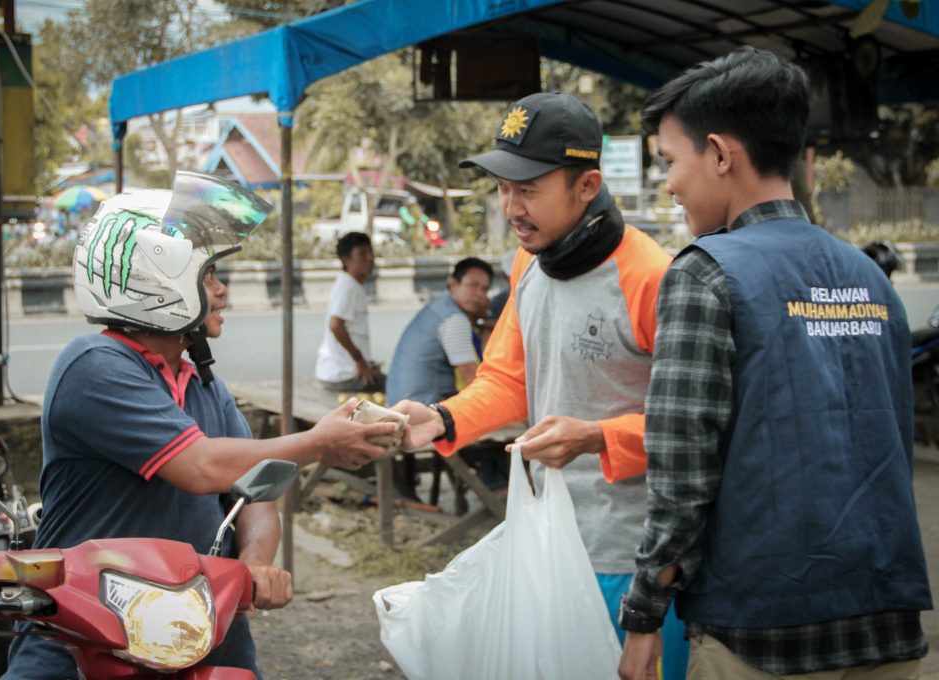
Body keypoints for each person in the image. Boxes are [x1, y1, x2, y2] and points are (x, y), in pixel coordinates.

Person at [3, 173, 398, 680]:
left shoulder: (202, 382)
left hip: (196, 621)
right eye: (208, 275)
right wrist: (320, 442)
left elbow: (254, 493)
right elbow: (201, 467)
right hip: (83, 627)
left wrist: (253, 564)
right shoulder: (95, 365)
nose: (222, 291)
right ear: (156, 285)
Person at [617, 47, 932, 680]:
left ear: (721, 153)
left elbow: (682, 475)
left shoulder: (705, 274)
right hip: (887, 617)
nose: (670, 185)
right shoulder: (868, 276)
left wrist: (645, 613)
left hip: (762, 629)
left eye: (671, 162)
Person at [394, 92, 688, 678]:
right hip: (550, 538)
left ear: (587, 186)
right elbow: (507, 378)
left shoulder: (652, 277)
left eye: (527, 189)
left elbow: (694, 428)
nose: (510, 207)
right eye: (502, 188)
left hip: (633, 557)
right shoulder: (529, 264)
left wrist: (599, 436)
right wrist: (443, 419)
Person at [387, 257, 496, 498]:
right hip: (422, 406)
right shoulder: (453, 319)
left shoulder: (439, 307)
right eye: (473, 286)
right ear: (453, 284)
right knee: (494, 439)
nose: (479, 294)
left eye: (485, 289)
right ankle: (495, 485)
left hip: (400, 397)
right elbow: (471, 378)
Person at [315, 231, 384, 392]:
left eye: (370, 252)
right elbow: (336, 325)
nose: (369, 258)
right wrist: (359, 360)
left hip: (339, 371)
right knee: (398, 387)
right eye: (362, 254)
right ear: (346, 260)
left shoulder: (350, 284)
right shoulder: (348, 287)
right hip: (341, 376)